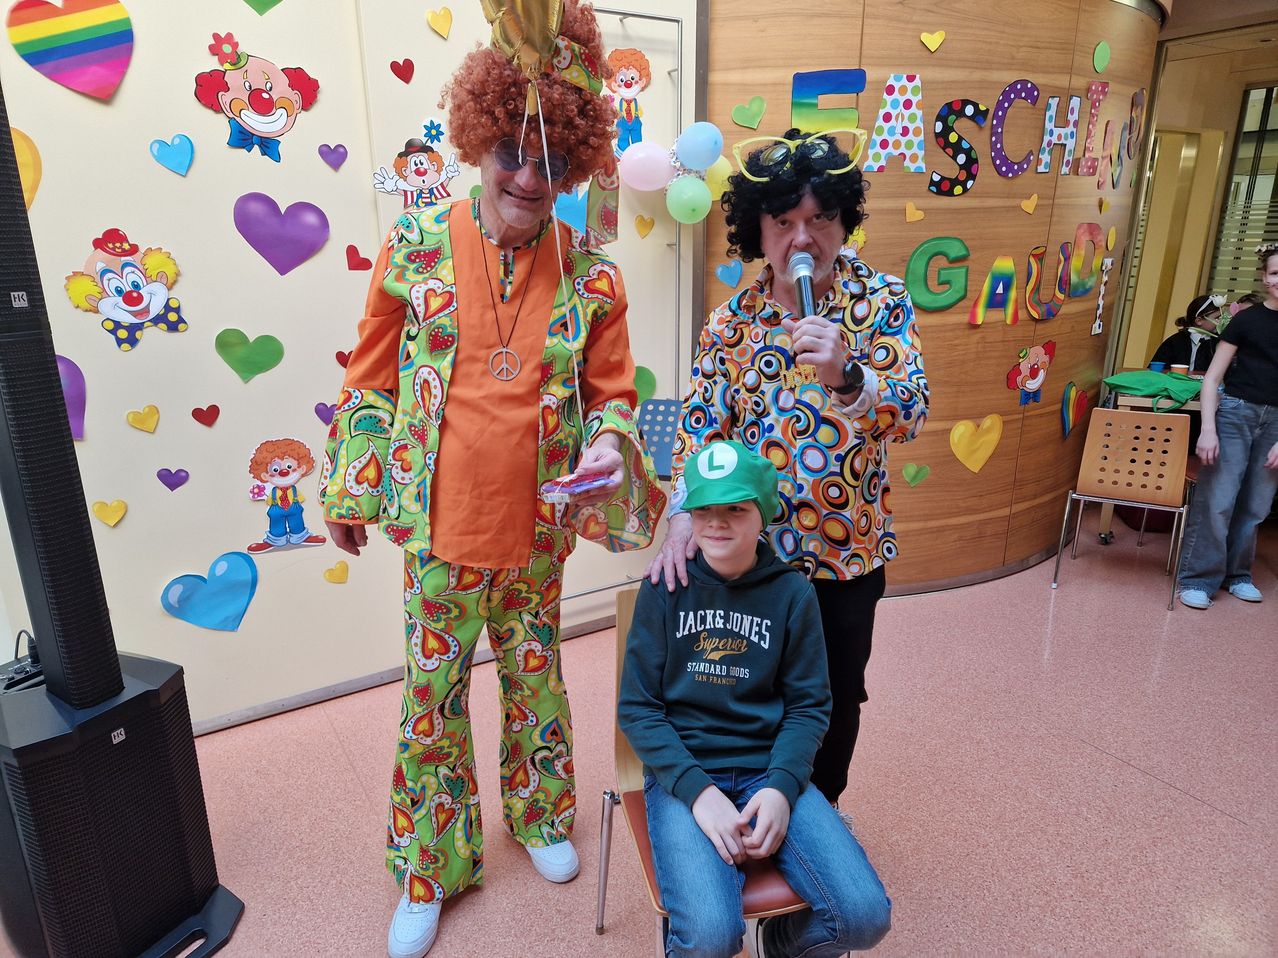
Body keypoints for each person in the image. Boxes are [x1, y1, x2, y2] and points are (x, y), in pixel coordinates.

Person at [319, 4, 666, 955]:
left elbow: (615, 396)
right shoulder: (413, 246)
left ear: (577, 167)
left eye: (551, 163)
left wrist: (611, 445)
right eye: (512, 152)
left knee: (536, 680)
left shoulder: (594, 276)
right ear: (479, 140)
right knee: (431, 701)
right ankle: (430, 868)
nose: (527, 178)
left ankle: (541, 814)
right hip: (437, 531)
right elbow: (371, 378)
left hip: (537, 534)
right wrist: (349, 489)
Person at [646, 128, 928, 808]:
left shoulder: (882, 300)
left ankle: (820, 813)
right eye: (783, 223)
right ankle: (759, 803)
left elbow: (912, 412)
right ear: (757, 230)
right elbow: (699, 433)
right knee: (754, 686)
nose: (803, 239)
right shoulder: (729, 324)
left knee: (834, 693)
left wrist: (848, 373)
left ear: (844, 221)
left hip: (846, 553)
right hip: (752, 558)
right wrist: (682, 517)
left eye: (820, 219)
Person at [620, 441, 892, 958]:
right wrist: (699, 793)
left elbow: (809, 707)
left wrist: (782, 789)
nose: (716, 523)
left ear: (763, 513)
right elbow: (638, 708)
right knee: (710, 939)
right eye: (704, 509)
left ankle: (781, 944)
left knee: (865, 918)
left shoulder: (792, 595)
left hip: (768, 768)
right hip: (684, 773)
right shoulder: (665, 589)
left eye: (735, 509)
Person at [1177, 243, 1278, 610]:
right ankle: (1198, 579)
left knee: (1256, 505)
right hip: (1235, 414)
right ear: (1265, 278)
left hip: (1276, 423)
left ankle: (1238, 575)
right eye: (1275, 272)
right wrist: (1208, 429)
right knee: (1218, 500)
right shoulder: (1246, 321)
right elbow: (1212, 378)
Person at [1151, 293, 1223, 373]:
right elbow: (1157, 370)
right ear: (1199, 321)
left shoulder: (1220, 342)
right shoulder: (1174, 342)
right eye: (1217, 318)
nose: (1221, 321)